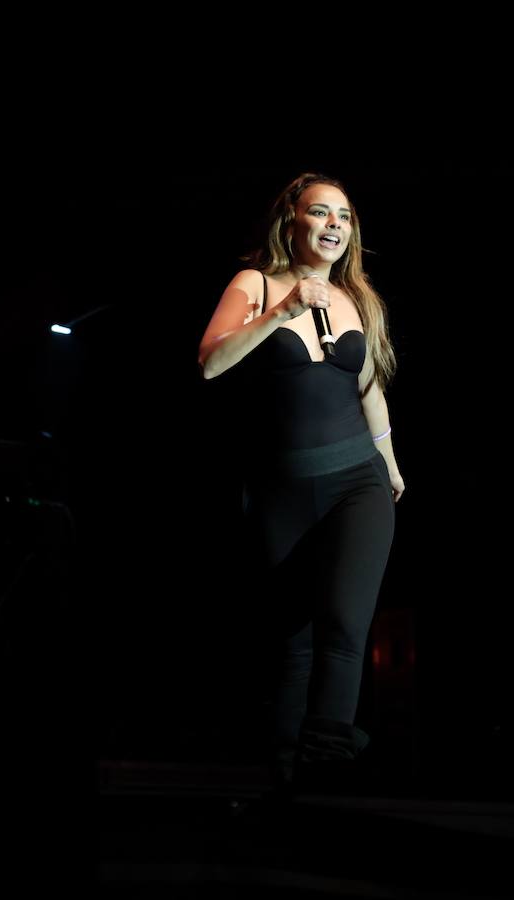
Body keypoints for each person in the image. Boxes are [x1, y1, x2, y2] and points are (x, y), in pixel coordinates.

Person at [198, 172, 405, 796]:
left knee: (345, 628)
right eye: (321, 212)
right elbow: (210, 362)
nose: (335, 225)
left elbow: (370, 390)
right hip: (281, 487)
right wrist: (283, 311)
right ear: (294, 220)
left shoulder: (357, 298)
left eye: (344, 215)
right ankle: (284, 783)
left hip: (356, 481)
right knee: (293, 643)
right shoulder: (254, 284)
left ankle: (327, 770)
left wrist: (389, 464)